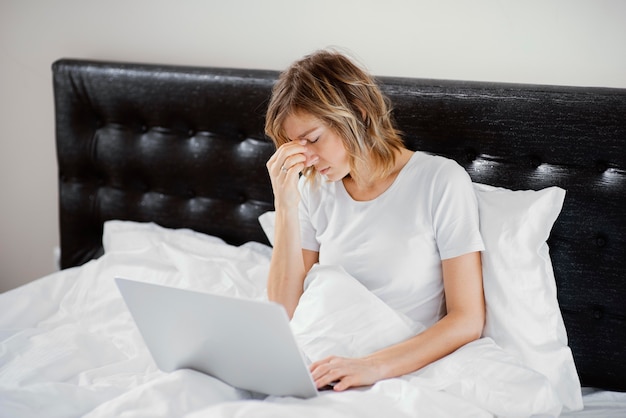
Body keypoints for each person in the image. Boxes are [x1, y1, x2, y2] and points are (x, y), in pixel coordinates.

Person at [264, 49, 485, 393]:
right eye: (295, 145)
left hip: (390, 366)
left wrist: (372, 366)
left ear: (360, 114)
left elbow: (467, 319)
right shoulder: (314, 187)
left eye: (313, 139)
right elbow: (283, 311)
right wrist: (285, 202)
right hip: (322, 359)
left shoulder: (439, 180)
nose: (305, 156)